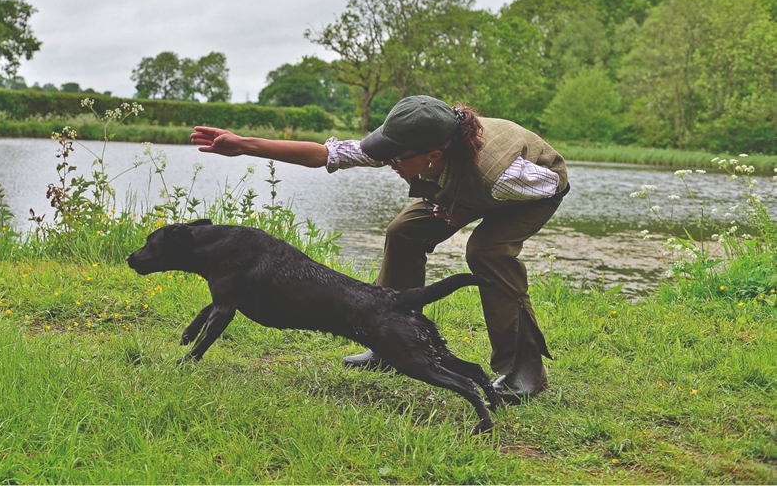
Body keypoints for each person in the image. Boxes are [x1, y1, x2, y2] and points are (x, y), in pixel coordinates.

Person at [190, 95, 569, 404]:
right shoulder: (416, 141)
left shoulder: (504, 174)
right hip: (460, 184)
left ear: (432, 154)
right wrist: (243, 145)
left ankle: (524, 369)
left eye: (396, 159)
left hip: (527, 193)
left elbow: (552, 185)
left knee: (487, 251)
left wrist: (469, 209)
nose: (387, 163)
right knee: (404, 231)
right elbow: (327, 155)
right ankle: (389, 339)